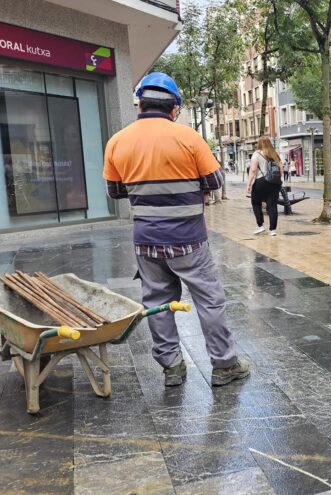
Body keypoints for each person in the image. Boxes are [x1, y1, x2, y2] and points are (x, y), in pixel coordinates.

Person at [103, 72, 250, 388]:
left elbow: (114, 191)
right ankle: (224, 365)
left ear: (139, 105)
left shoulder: (117, 141)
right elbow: (215, 182)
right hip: (189, 242)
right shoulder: (189, 138)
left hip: (146, 243)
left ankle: (172, 368)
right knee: (209, 300)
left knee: (157, 303)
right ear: (174, 109)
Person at [247, 136, 283, 236]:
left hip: (261, 181)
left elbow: (253, 170)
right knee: (272, 205)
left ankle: (260, 226)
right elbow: (281, 170)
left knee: (255, 202)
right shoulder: (274, 154)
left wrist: (249, 184)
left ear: (259, 143)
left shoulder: (257, 154)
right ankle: (272, 230)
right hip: (275, 182)